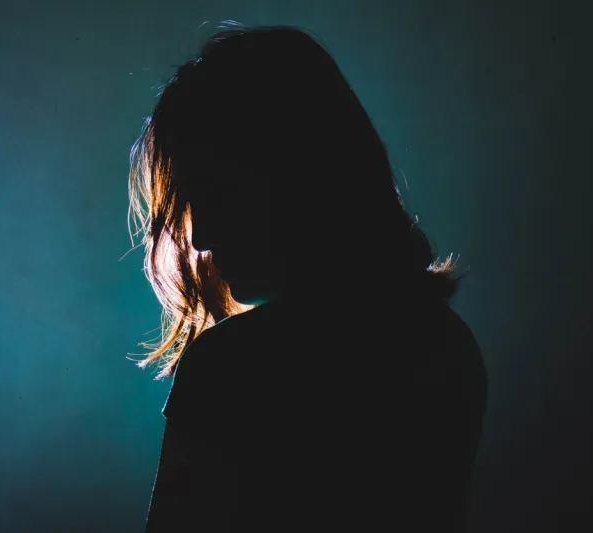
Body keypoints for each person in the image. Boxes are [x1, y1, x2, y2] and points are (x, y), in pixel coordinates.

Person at [126, 22, 488, 532]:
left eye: (219, 197)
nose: (202, 237)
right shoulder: (448, 345)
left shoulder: (231, 369)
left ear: (300, 182)